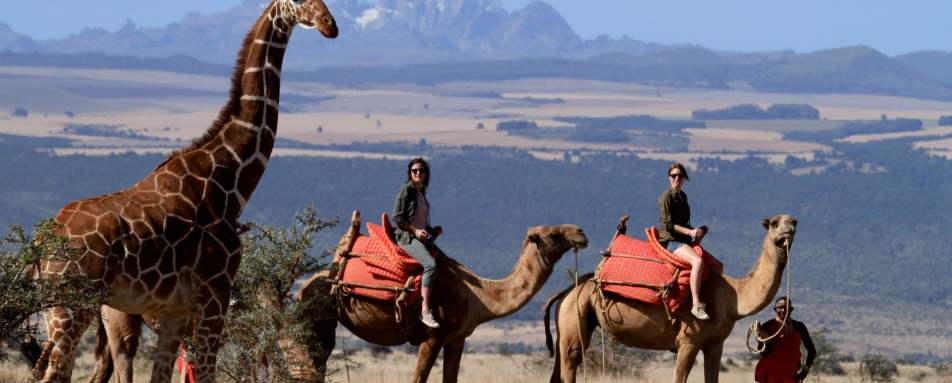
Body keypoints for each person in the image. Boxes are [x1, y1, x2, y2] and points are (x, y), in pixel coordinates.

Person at [392, 158, 443, 328]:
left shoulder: (421, 192)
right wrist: (415, 231)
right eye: (414, 171)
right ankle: (425, 311)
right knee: (430, 265)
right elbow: (398, 217)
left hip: (420, 236)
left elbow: (419, 219)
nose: (418, 173)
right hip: (407, 238)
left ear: (426, 173)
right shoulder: (406, 190)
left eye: (421, 170)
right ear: (410, 173)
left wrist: (431, 230)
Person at [657, 163, 710, 320]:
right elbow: (670, 225)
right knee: (698, 262)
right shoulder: (666, 198)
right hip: (671, 241)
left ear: (684, 178)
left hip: (683, 240)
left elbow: (684, 224)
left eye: (680, 175)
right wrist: (690, 232)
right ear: (669, 178)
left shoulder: (683, 197)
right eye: (674, 175)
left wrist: (697, 232)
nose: (677, 178)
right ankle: (696, 305)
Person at [755, 297, 817, 383]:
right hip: (770, 373)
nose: (783, 310)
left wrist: (805, 370)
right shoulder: (767, 326)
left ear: (791, 309)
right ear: (775, 309)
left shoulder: (799, 327)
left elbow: (812, 351)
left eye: (786, 307)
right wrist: (761, 339)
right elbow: (763, 352)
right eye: (780, 307)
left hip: (789, 374)